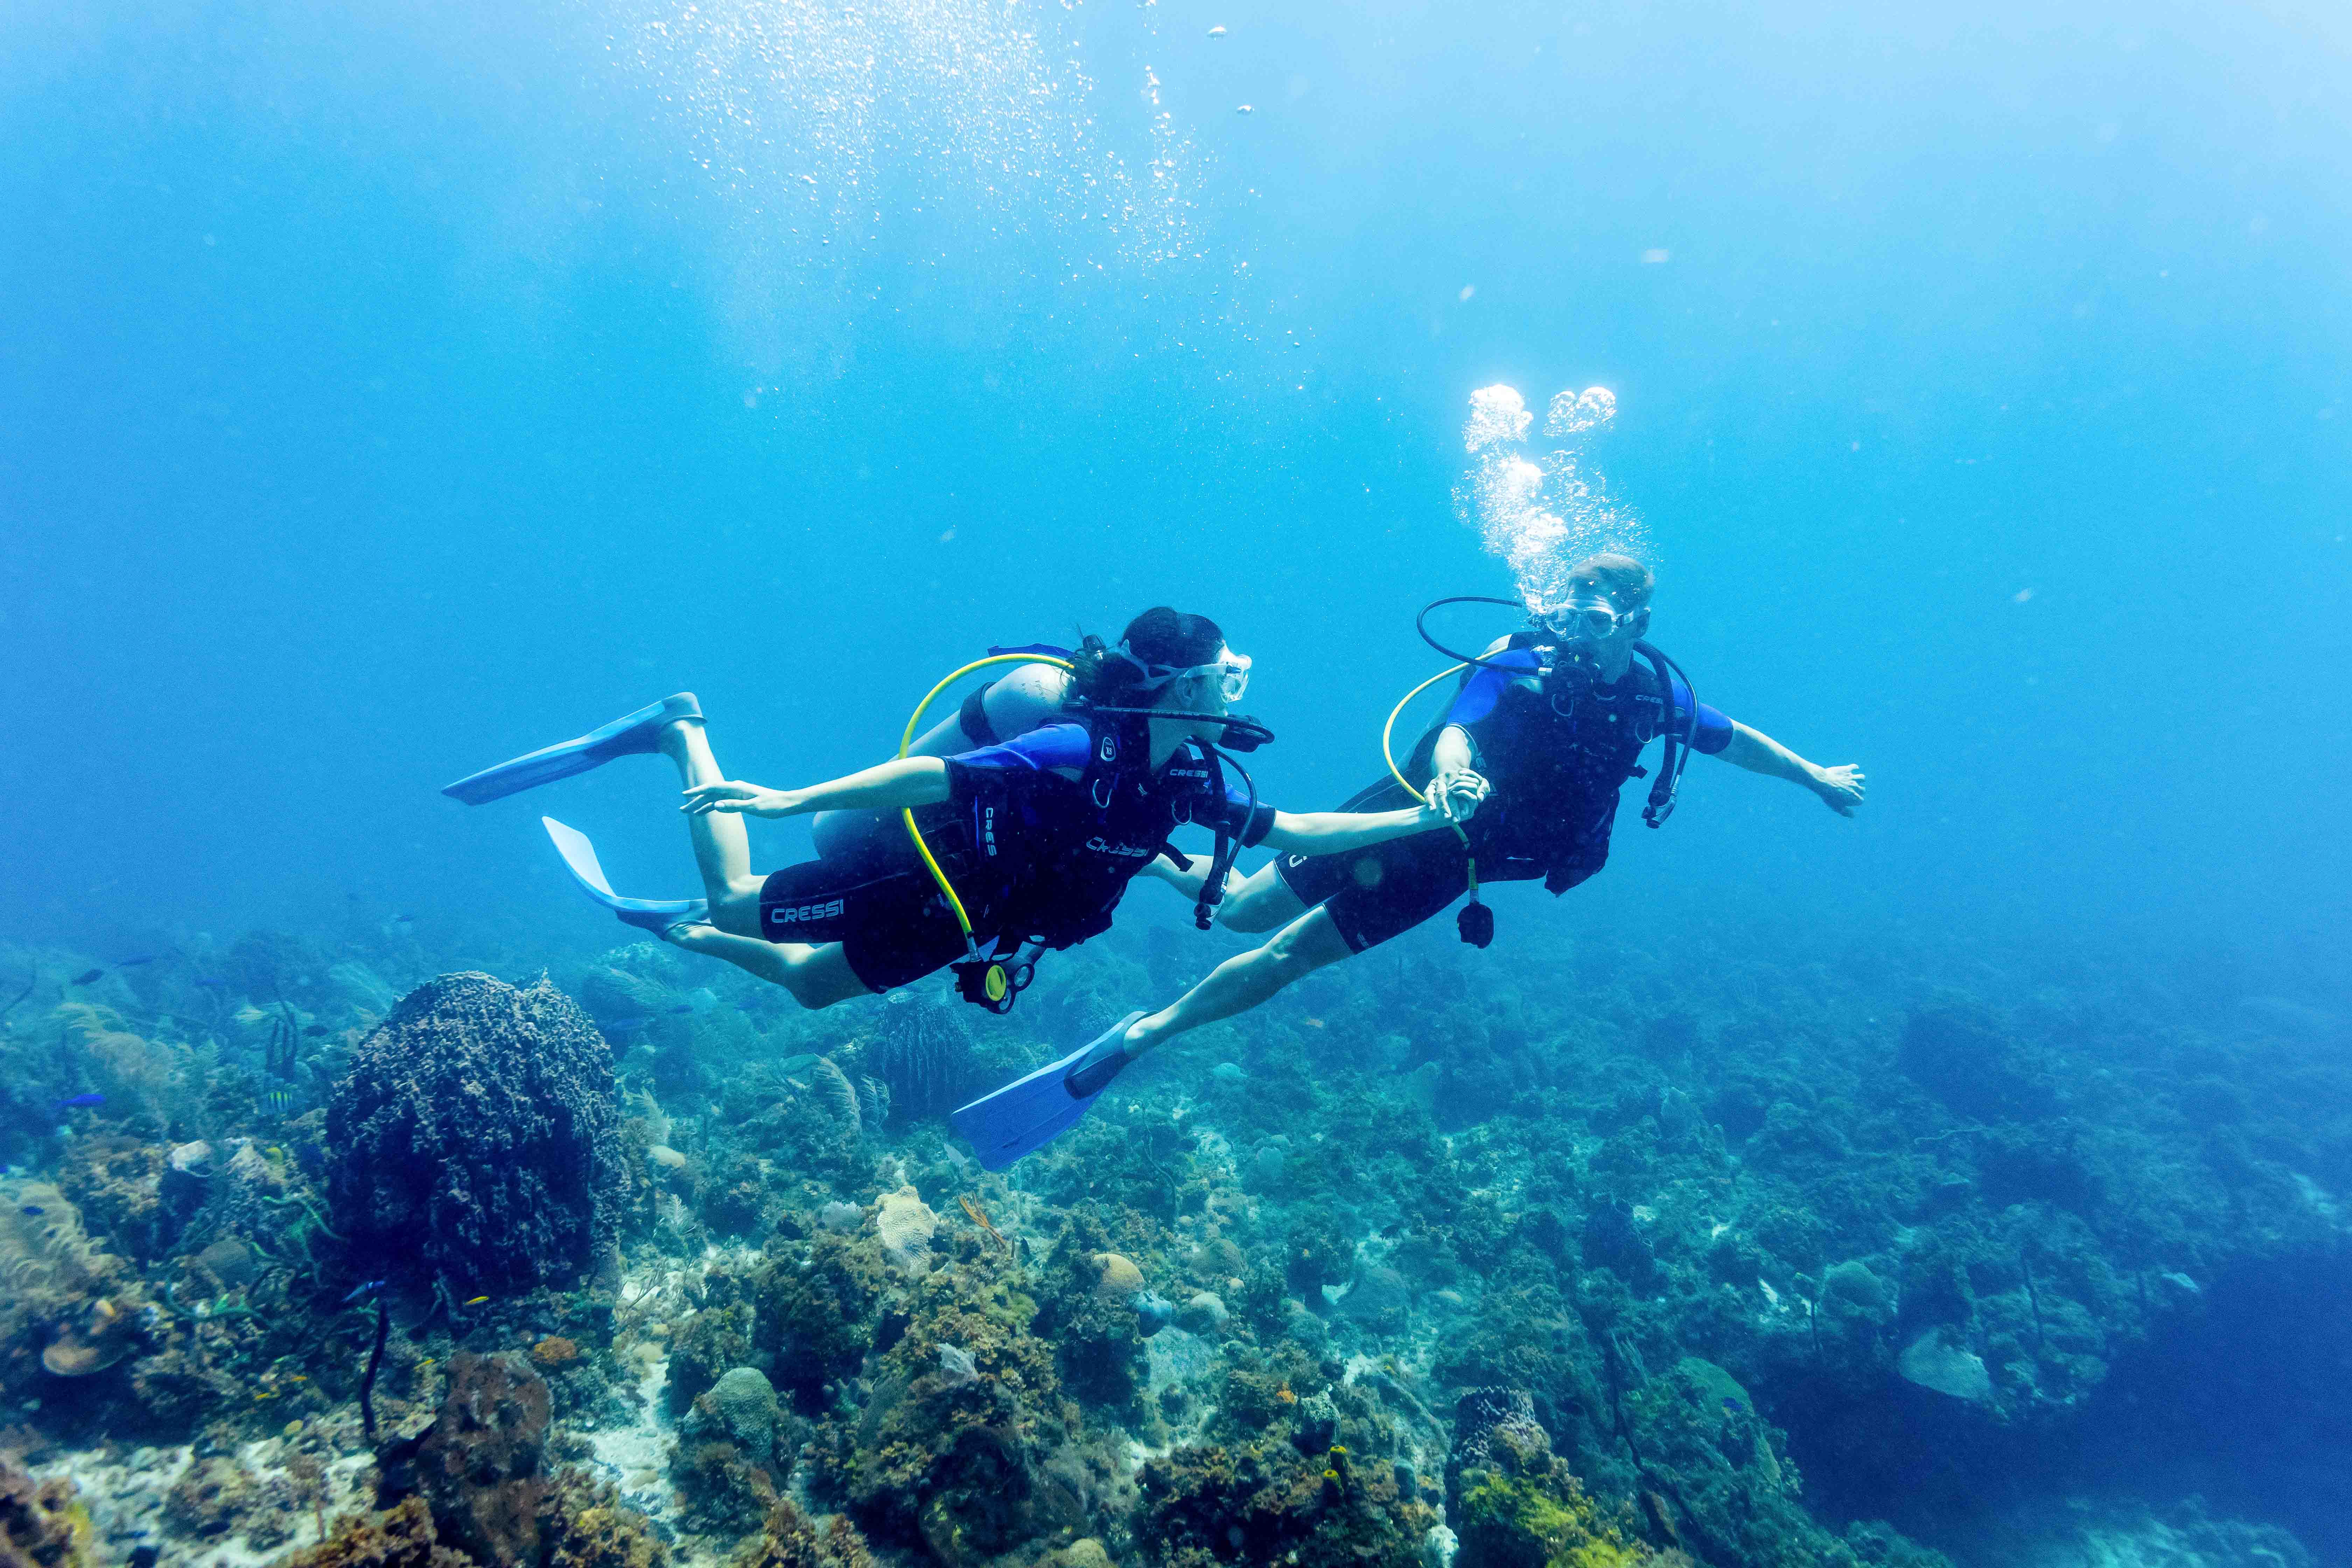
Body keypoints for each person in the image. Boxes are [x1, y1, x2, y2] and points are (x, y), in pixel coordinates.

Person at [955, 554, 1864, 1166]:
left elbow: (1735, 740)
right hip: (1405, 821)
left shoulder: (1658, 695)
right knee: (1241, 912)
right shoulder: (1524, 661)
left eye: (1595, 616)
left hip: (1449, 871)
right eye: (1572, 612)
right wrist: (1455, 780)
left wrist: (1816, 775)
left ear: (1634, 619)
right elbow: (1461, 727)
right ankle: (1149, 851)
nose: (1579, 631)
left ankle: (1137, 1039)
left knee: (1287, 964)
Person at [442, 609, 1485, 1033]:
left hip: (972, 925)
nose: (1234, 689)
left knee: (811, 991)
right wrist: (792, 800)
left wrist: (1419, 821)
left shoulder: (1185, 780)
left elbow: (1296, 832)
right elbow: (929, 781)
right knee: (738, 898)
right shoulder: (1077, 747)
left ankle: (680, 927)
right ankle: (681, 732)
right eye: (1224, 674)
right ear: (1172, 681)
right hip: (922, 879)